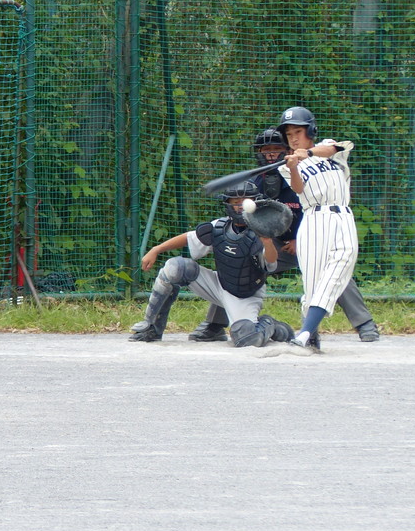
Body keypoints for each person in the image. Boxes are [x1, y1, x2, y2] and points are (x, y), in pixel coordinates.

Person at [190, 128, 380, 344]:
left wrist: (298, 238)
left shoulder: (305, 171)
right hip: (275, 245)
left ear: (288, 150)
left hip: (313, 238)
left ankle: (364, 323)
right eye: (266, 150)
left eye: (276, 148)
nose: (271, 153)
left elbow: (314, 208)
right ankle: (215, 325)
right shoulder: (257, 183)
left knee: (333, 269)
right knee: (237, 261)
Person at [128, 182, 295, 348]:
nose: (240, 206)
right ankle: (152, 327)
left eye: (245, 201)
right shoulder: (220, 227)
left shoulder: (261, 231)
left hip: (245, 294)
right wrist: (156, 249)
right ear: (227, 204)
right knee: (175, 267)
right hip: (219, 284)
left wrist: (267, 242)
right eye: (235, 202)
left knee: (247, 339)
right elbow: (188, 237)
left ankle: (271, 325)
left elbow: (271, 262)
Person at [276, 106, 360, 352]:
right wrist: (293, 166)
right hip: (314, 220)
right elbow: (298, 189)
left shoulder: (327, 148)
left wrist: (308, 153)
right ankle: (309, 334)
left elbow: (337, 148)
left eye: (298, 131)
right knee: (312, 284)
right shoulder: (286, 166)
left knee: (344, 260)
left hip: (343, 215)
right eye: (289, 134)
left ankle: (304, 333)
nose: (293, 138)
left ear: (310, 130)